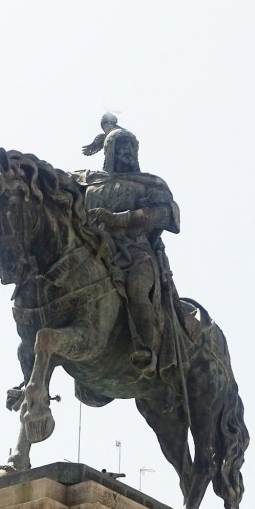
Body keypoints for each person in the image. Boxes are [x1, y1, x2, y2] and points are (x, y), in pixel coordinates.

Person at [78, 117, 180, 379]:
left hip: (135, 253)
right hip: (93, 250)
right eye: (121, 148)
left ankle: (147, 349)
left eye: (131, 148)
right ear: (109, 152)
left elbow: (159, 214)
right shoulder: (88, 181)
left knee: (137, 289)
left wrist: (117, 219)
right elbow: (53, 182)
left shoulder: (149, 183)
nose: (127, 153)